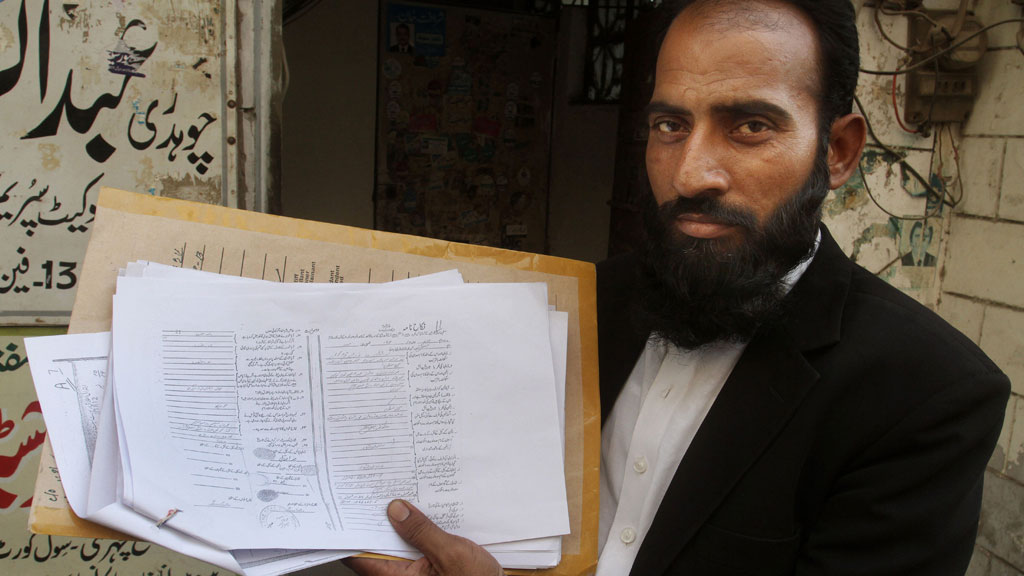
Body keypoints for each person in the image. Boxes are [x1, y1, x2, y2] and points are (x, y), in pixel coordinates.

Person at [346, 1, 1010, 574]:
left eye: (750, 125)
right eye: (670, 126)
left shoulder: (924, 395)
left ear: (836, 150)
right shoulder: (579, 304)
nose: (691, 174)